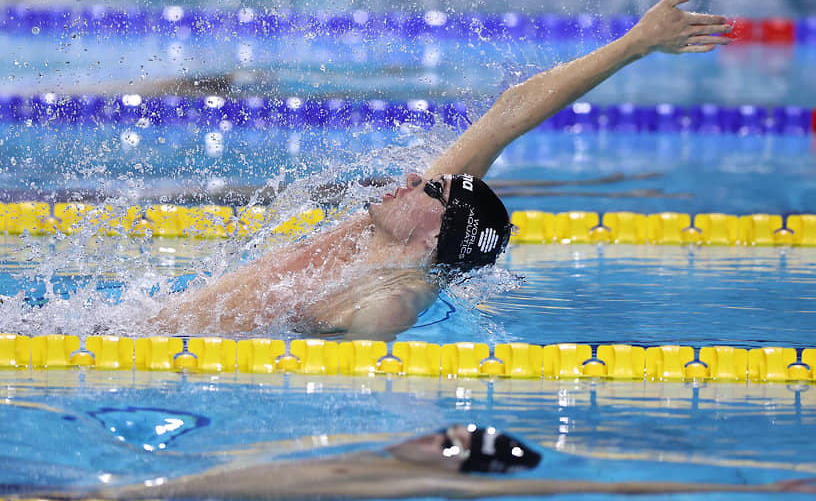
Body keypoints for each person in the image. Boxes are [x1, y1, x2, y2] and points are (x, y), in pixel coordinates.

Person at [152, 0, 732, 340]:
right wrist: (633, 43)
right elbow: (509, 113)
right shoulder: (381, 239)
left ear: (438, 230)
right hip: (136, 333)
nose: (411, 177)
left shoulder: (385, 304)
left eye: (428, 189)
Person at [10, 424, 816, 499]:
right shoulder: (363, 459)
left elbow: (575, 481)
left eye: (455, 439)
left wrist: (742, 485)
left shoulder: (397, 479)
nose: (438, 431)